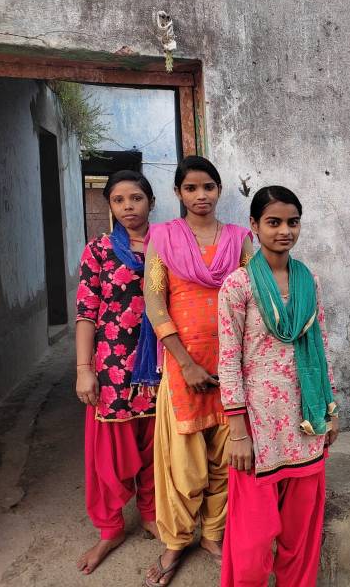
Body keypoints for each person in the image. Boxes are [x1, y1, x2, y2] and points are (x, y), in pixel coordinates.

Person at [217, 186, 339, 586]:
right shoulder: (238, 285)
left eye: (292, 222)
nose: (284, 231)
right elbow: (229, 359)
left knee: (300, 539)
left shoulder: (308, 280)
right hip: (258, 428)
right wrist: (237, 432)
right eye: (273, 222)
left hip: (305, 423)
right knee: (252, 545)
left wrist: (330, 410)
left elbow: (318, 345)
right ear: (254, 226)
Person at [142, 156, 254, 587]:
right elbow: (155, 301)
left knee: (227, 456)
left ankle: (212, 533)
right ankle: (175, 541)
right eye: (191, 188)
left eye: (208, 187)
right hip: (182, 364)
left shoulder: (240, 240)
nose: (200, 196)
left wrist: (240, 361)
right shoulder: (163, 238)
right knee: (183, 465)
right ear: (177, 193)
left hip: (231, 362)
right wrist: (184, 363)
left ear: (218, 190)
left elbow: (251, 298)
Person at [74, 170, 160, 574]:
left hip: (159, 361)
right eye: (119, 200)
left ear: (151, 202)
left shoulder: (169, 245)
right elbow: (86, 313)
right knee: (110, 453)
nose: (129, 206)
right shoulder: (100, 250)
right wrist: (83, 369)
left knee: (155, 443)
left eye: (136, 198)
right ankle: (110, 528)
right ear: (110, 205)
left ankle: (151, 512)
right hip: (111, 365)